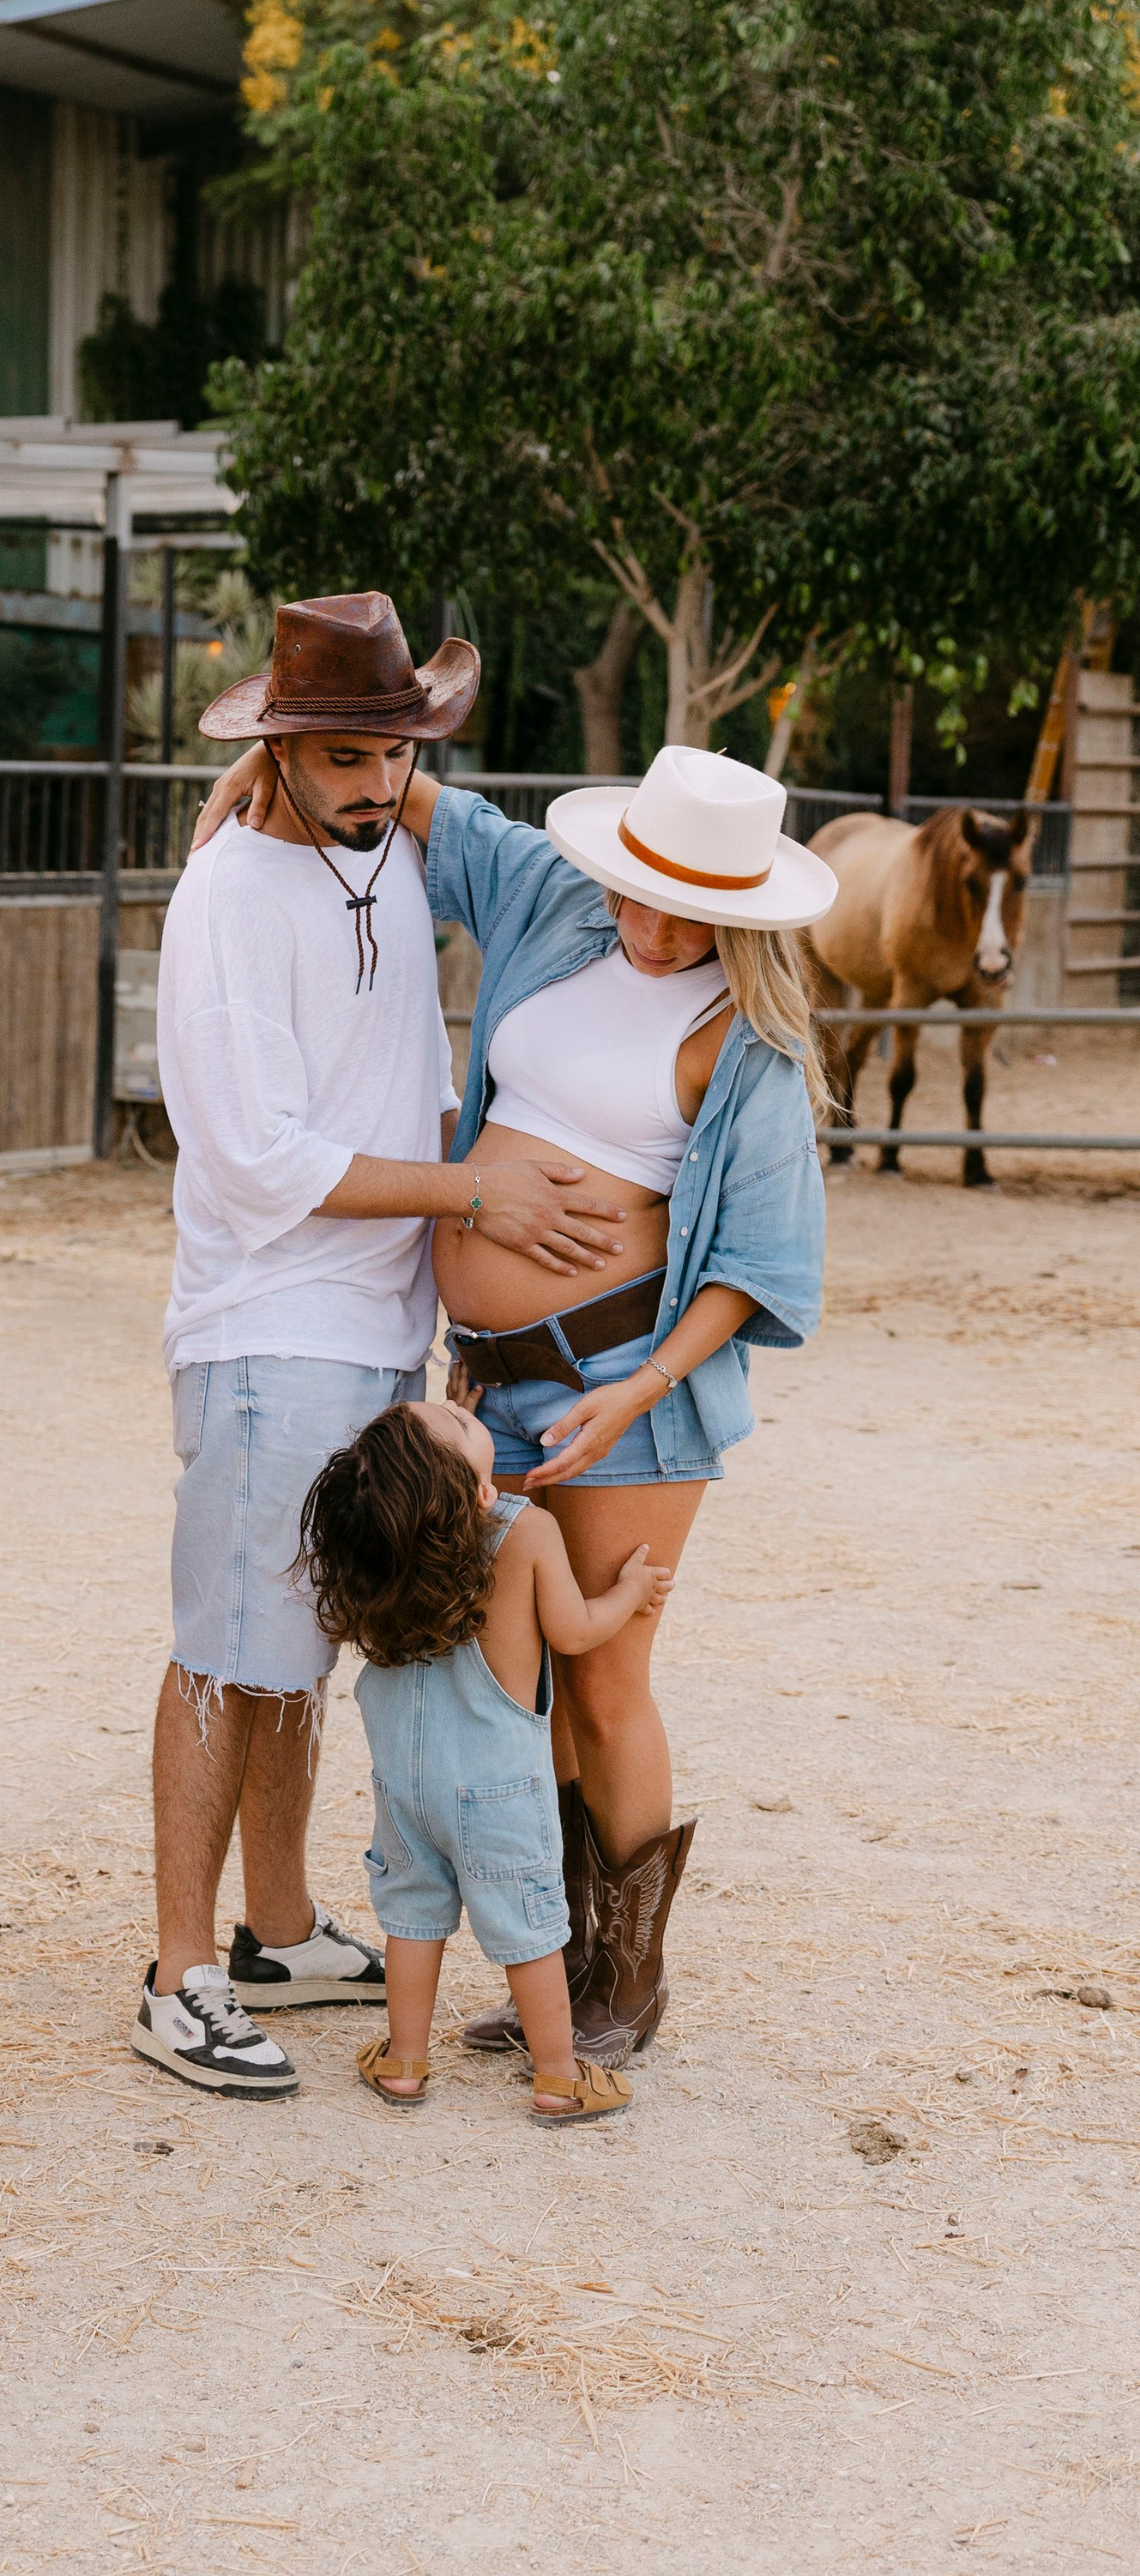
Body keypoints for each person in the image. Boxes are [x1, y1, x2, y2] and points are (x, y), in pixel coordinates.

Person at [189, 734, 834, 2072]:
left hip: (620, 1390)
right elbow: (435, 804)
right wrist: (273, 764)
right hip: (492, 1380)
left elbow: (759, 1268)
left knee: (602, 1675)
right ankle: (547, 1945)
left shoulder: (745, 1045)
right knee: (518, 1674)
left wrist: (639, 1391)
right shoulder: (557, 903)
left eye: (691, 914)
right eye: (641, 895)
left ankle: (621, 1971)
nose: (653, 931)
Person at [134, 594, 632, 2099]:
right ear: (279, 750)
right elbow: (257, 1162)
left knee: (306, 1634)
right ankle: (177, 1971)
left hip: (371, 1322)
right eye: (341, 755)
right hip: (268, 1323)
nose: (373, 785)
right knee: (229, 1644)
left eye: (393, 755)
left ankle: (278, 1929)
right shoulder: (225, 902)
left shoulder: (392, 850)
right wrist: (472, 1186)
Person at [297, 1391, 673, 2122]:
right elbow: (573, 1632)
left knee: (412, 1918)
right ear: (477, 1491)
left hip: (405, 1787)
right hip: (496, 1789)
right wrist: (628, 1591)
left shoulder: (384, 1550)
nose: (454, 1405)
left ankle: (405, 2062)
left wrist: (451, 1434)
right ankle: (561, 2077)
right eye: (464, 1423)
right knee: (530, 1931)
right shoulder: (524, 1531)